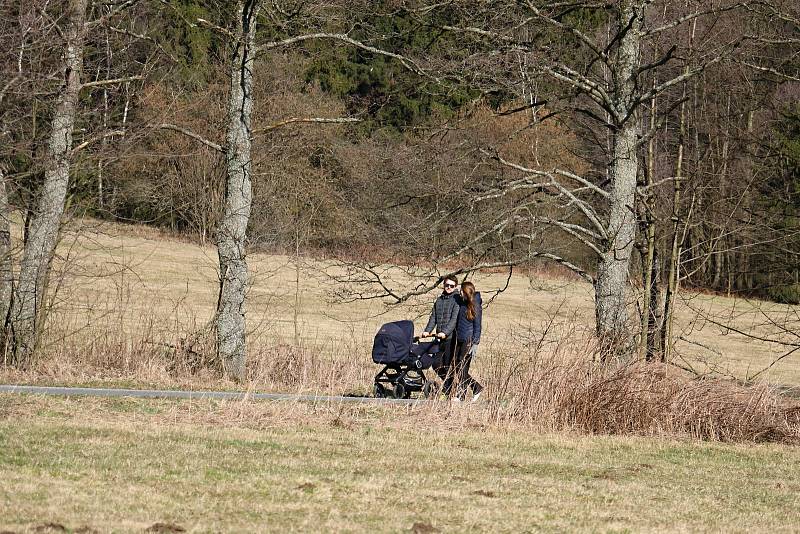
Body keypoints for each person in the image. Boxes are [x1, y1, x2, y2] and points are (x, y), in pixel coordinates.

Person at [420, 275, 460, 395]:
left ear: (455, 287)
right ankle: (451, 387)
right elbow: (433, 317)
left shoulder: (457, 300)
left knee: (447, 366)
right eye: (447, 285)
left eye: (451, 286)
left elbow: (454, 320)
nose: (448, 287)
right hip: (439, 339)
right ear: (443, 285)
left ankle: (452, 390)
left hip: (451, 338)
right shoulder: (439, 300)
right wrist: (427, 330)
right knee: (436, 363)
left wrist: (445, 332)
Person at [451, 281, 483, 401]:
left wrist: (475, 343)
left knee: (463, 367)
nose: (460, 293)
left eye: (462, 291)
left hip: (468, 340)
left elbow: (478, 326)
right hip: (459, 338)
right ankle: (476, 387)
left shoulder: (475, 304)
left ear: (467, 292)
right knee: (458, 366)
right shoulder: (463, 302)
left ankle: (461, 395)